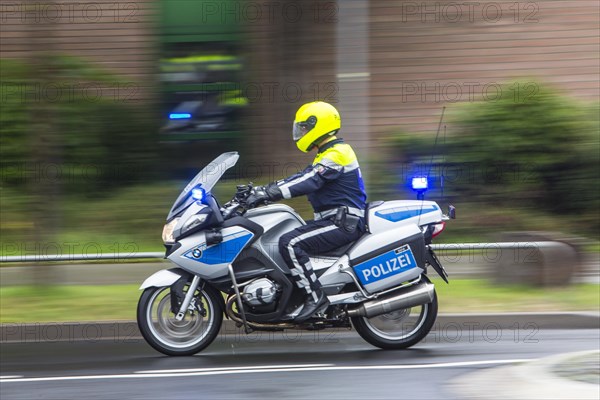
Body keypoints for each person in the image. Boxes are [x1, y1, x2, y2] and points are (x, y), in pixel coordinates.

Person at [245, 101, 367, 322]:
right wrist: (262, 190)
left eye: (304, 127)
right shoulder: (327, 153)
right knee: (288, 233)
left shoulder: (338, 153)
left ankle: (315, 298)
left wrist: (268, 193)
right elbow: (301, 177)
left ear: (318, 125)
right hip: (335, 220)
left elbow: (310, 180)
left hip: (342, 224)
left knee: (290, 243)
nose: (301, 132)